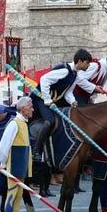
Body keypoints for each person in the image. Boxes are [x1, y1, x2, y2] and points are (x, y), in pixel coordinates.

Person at [30, 49, 92, 197]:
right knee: (50, 121)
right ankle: (37, 151)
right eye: (87, 63)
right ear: (80, 61)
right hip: (40, 99)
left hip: (52, 101)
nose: (88, 66)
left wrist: (73, 102)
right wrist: (46, 99)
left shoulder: (75, 74)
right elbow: (44, 80)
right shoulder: (64, 70)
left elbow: (68, 92)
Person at [73, 51, 107, 194]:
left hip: (86, 100)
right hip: (76, 99)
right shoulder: (95, 66)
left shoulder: (106, 71)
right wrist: (95, 89)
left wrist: (94, 95)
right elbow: (80, 79)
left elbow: (94, 87)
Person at [0, 96, 34, 212]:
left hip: (21, 166)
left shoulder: (24, 123)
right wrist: (3, 165)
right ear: (23, 108)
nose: (32, 109)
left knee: (18, 197)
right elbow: (3, 146)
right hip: (13, 167)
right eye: (30, 106)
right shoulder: (14, 123)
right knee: (12, 195)